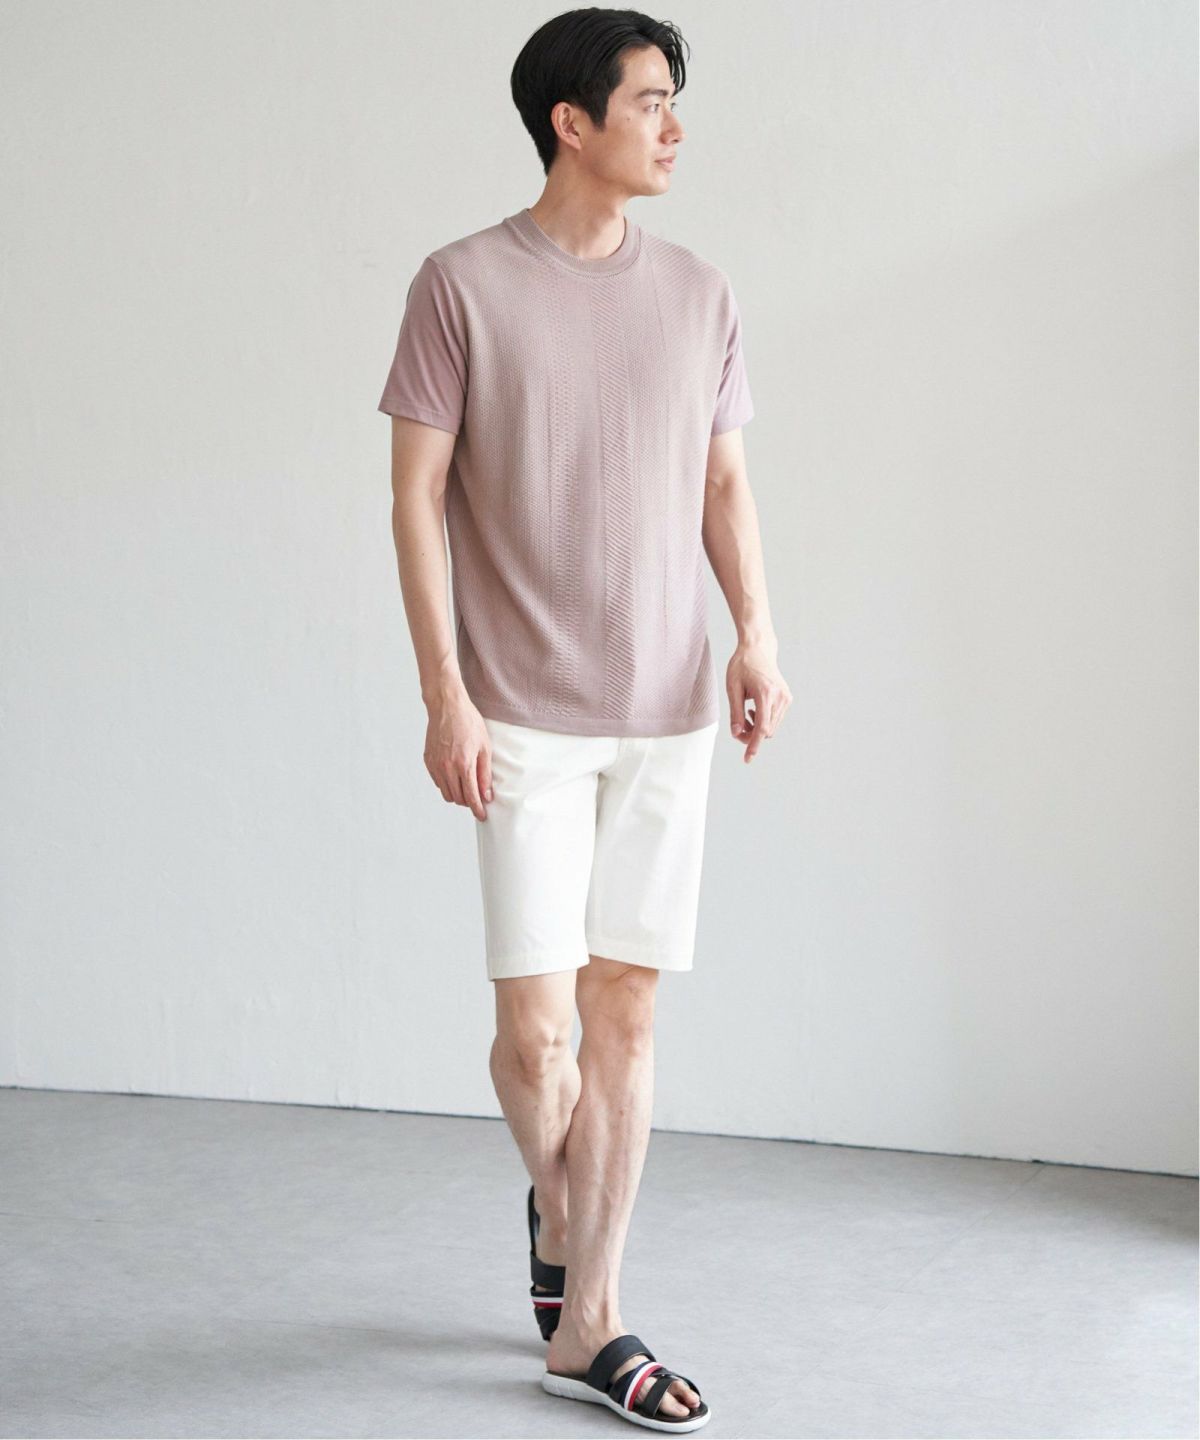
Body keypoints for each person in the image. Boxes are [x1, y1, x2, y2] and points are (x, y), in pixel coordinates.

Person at [377, 8, 790, 1430]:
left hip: (668, 705)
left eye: (675, 100)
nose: (674, 125)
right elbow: (415, 502)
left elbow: (723, 486)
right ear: (572, 121)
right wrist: (444, 692)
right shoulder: (460, 286)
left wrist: (758, 634)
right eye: (651, 99)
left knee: (627, 1007)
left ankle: (591, 1317)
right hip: (521, 713)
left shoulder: (701, 293)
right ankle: (561, 1217)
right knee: (539, 1036)